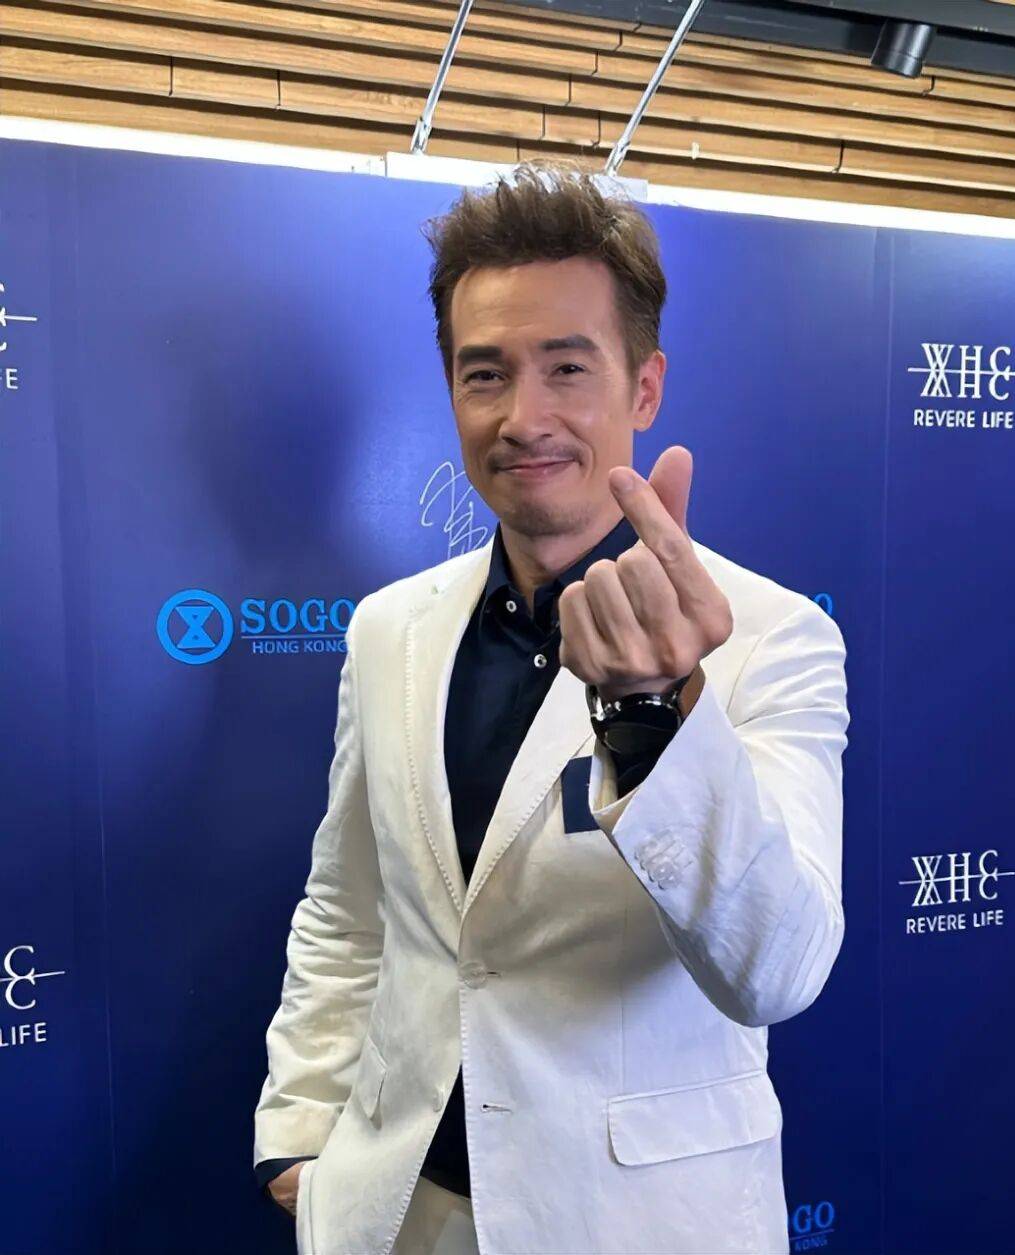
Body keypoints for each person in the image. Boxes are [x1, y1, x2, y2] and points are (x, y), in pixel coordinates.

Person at [253, 157, 849, 1255]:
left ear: (644, 388)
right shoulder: (390, 627)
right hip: (401, 1207)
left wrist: (656, 716)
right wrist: (299, 1133)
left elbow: (779, 968)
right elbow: (349, 905)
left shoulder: (770, 636)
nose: (524, 417)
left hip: (634, 1223)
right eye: (485, 373)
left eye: (568, 368)